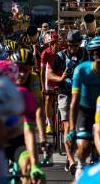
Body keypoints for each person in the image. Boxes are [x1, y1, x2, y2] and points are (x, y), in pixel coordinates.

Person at [48, 30, 88, 174]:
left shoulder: (86, 54)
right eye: (70, 45)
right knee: (66, 127)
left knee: (81, 126)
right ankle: (71, 161)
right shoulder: (60, 56)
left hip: (82, 94)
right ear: (67, 44)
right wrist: (61, 78)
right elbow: (50, 74)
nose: (73, 48)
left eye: (75, 45)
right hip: (65, 93)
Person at [67, 36, 100, 179]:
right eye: (95, 53)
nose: (98, 57)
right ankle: (80, 169)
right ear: (91, 54)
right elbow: (74, 102)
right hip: (85, 110)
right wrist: (72, 129)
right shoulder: (81, 70)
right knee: (84, 148)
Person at [40, 34, 60, 134]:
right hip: (49, 75)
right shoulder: (45, 53)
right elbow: (43, 71)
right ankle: (50, 124)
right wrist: (43, 86)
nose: (54, 45)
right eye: (52, 43)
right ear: (49, 44)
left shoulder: (63, 50)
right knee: (48, 98)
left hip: (60, 75)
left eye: (56, 43)